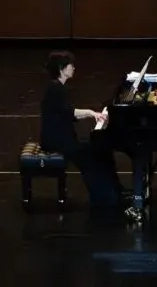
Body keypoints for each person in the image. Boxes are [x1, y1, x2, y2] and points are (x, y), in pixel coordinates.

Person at [40, 50, 124, 212]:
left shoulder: (57, 87)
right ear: (62, 68)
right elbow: (70, 113)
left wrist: (91, 113)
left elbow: (68, 112)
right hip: (57, 141)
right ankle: (104, 199)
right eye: (70, 65)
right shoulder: (56, 89)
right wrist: (91, 113)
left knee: (101, 151)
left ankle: (114, 191)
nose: (73, 68)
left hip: (62, 138)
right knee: (91, 158)